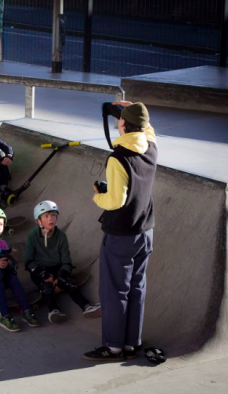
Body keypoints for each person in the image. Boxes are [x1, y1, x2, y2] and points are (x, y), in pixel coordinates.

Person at [84, 102, 157, 362]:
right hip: (145, 230)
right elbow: (148, 129)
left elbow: (115, 200)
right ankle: (130, 343)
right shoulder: (151, 147)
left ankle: (113, 346)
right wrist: (133, 110)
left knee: (115, 291)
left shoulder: (118, 158)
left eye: (120, 120)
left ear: (123, 125)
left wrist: (97, 197)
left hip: (121, 234)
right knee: (137, 287)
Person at [24, 200, 101, 324]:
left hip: (57, 268)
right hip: (40, 270)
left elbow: (66, 260)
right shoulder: (32, 236)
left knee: (69, 282)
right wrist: (43, 274)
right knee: (46, 286)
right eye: (46, 216)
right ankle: (54, 311)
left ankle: (87, 307)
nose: (51, 219)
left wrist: (61, 276)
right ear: (38, 221)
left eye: (53, 215)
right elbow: (28, 261)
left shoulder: (61, 236)